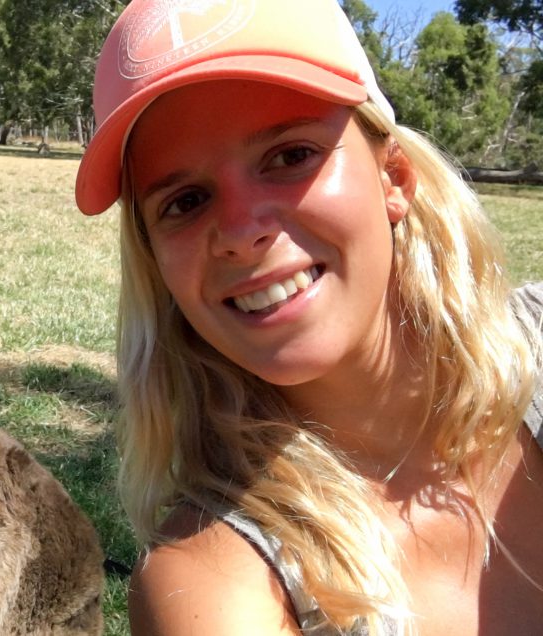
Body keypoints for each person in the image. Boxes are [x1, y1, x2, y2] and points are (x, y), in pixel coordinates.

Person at [74, 1, 543, 634]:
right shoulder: (212, 580)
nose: (241, 231)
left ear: (393, 177)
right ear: (157, 263)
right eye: (185, 200)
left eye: (289, 155)